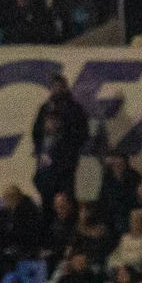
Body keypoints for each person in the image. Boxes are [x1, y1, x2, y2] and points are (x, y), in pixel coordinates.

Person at [31, 74, 88, 215]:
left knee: (66, 200)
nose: (57, 89)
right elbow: (36, 132)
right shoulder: (45, 108)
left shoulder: (75, 109)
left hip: (66, 165)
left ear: (65, 87)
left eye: (60, 86)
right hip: (47, 165)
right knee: (47, 202)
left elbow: (82, 133)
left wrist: (69, 145)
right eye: (54, 86)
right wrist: (40, 150)